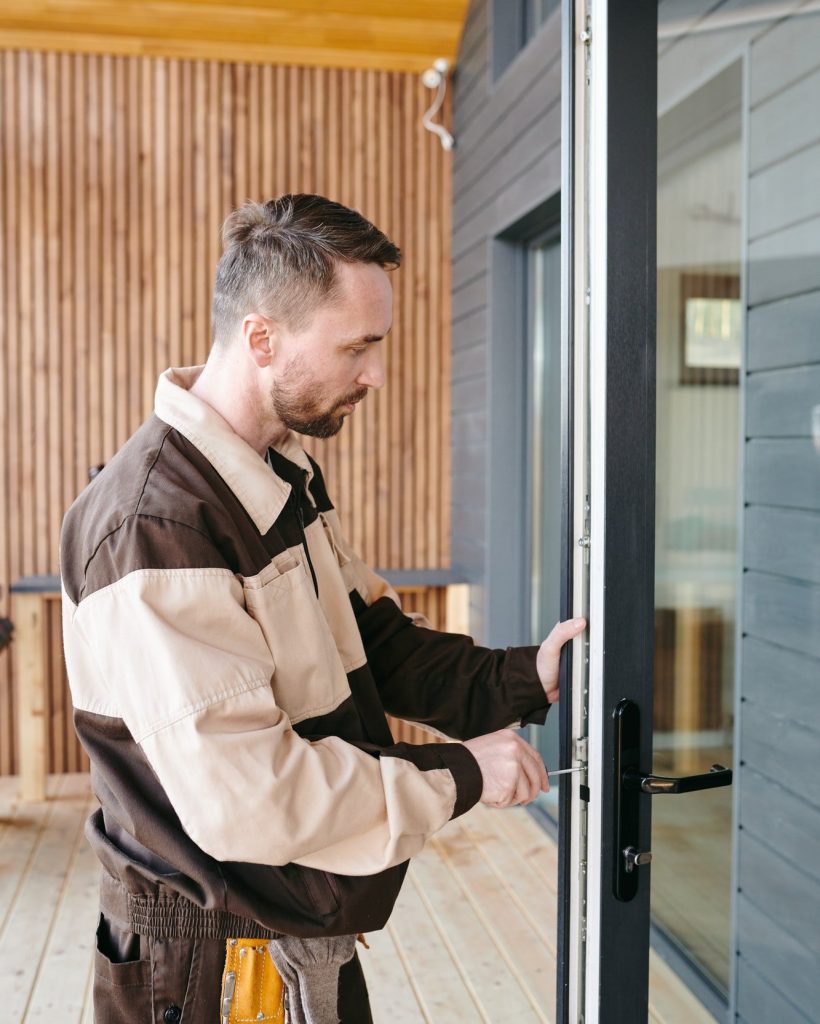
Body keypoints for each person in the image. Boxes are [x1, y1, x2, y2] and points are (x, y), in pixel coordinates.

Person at [60, 194, 586, 1023]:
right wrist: (461, 776)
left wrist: (521, 678)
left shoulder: (279, 471)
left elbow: (367, 640)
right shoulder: (155, 525)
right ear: (261, 338)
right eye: (358, 348)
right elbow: (253, 798)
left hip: (294, 926)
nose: (375, 374)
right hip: (211, 963)